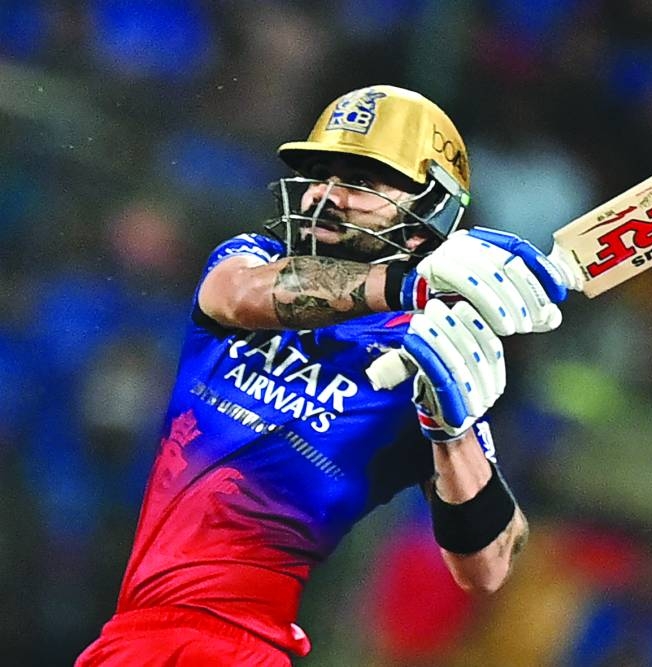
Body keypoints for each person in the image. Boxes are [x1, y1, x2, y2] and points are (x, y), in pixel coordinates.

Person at [76, 85, 568, 666]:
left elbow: (491, 565)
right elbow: (237, 295)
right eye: (319, 173)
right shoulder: (252, 259)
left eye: (360, 180)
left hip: (243, 649)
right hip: (132, 636)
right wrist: (412, 285)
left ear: (426, 214)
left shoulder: (428, 351)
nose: (324, 197)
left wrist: (450, 428)